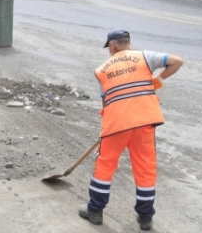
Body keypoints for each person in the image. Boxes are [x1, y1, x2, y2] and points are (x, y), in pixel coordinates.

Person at [79, 29, 184, 231]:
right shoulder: (145, 57)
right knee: (145, 168)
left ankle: (95, 211)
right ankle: (145, 218)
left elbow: (106, 103)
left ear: (112, 46)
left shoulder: (101, 70)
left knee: (105, 166)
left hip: (116, 124)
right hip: (145, 121)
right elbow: (177, 61)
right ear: (128, 43)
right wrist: (158, 80)